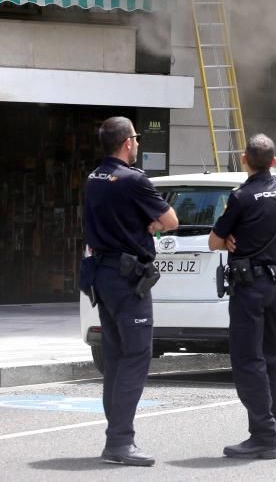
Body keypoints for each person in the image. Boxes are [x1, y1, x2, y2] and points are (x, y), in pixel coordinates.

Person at [83, 116, 179, 466]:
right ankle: (120, 443)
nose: (138, 143)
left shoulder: (94, 178)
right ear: (126, 142)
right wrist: (149, 224)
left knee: (117, 357)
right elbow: (171, 221)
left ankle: (116, 437)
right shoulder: (134, 181)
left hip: (102, 275)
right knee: (136, 356)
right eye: (136, 138)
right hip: (127, 278)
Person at [209, 134, 276, 460]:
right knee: (271, 358)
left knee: (247, 361)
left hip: (249, 288)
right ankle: (272, 422)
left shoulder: (241, 197)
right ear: (273, 161)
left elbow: (214, 242)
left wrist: (232, 237)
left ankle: (263, 434)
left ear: (244, 159)